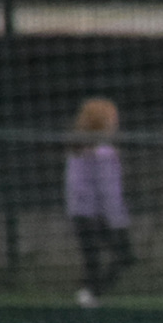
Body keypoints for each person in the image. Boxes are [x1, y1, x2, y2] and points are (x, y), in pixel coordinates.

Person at [65, 97, 133, 307]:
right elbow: (108, 190)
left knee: (94, 258)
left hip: (81, 212)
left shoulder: (78, 149)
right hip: (96, 215)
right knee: (119, 256)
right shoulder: (101, 153)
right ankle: (89, 296)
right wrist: (117, 220)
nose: (116, 122)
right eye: (112, 118)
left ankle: (89, 295)